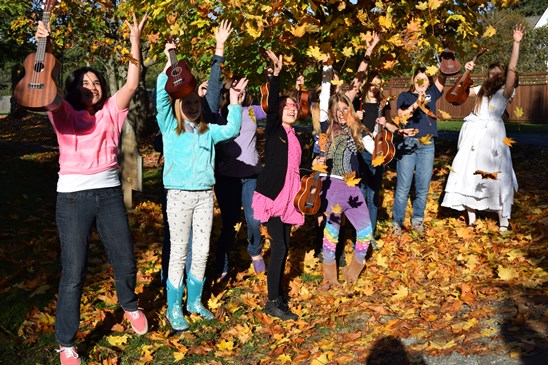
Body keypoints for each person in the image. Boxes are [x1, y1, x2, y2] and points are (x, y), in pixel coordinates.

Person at [35, 14, 149, 365]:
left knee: (126, 259)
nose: (93, 85)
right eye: (85, 81)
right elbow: (46, 81)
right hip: (72, 200)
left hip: (110, 194)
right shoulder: (63, 111)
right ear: (74, 88)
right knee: (74, 272)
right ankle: (66, 343)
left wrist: (134, 42)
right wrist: (46, 43)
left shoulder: (111, 113)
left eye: (97, 81)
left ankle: (129, 304)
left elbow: (131, 82)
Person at [156, 21, 247, 332]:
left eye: (197, 102)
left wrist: (235, 103)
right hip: (179, 196)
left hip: (205, 195)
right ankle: (173, 306)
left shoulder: (208, 131)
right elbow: (162, 97)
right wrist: (171, 61)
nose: (194, 106)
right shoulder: (170, 127)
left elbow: (233, 129)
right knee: (179, 249)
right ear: (180, 105)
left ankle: (195, 301)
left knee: (202, 249)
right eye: (188, 102)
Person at [442, 25, 525, 231]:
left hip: (493, 136)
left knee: (496, 173)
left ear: (503, 75)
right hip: (472, 134)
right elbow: (456, 96)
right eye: (490, 73)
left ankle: (503, 219)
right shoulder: (481, 90)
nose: (492, 76)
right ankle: (471, 217)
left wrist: (516, 43)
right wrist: (466, 72)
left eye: (497, 74)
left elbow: (513, 70)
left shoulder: (507, 91)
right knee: (469, 171)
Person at [251, 50, 304, 320]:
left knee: (285, 246)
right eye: (286, 106)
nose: (291, 109)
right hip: (272, 196)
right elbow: (272, 106)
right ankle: (273, 301)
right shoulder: (274, 130)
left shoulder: (294, 135)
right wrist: (276, 75)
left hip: (289, 198)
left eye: (294, 106)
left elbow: (294, 167)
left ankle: (278, 295)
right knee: (280, 247)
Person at [317, 66, 373, 286]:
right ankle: (329, 277)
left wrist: (383, 145)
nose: (341, 112)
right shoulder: (327, 127)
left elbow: (374, 150)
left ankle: (355, 268)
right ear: (331, 111)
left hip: (352, 188)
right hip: (331, 186)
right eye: (337, 108)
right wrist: (326, 67)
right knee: (331, 235)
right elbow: (324, 96)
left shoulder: (356, 129)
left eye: (345, 108)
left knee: (366, 230)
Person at [213, 78, 266, 279]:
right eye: (235, 89)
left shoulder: (252, 111)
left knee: (254, 219)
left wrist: (272, 79)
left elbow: (272, 106)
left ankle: (255, 251)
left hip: (251, 175)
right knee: (230, 222)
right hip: (227, 178)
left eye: (243, 88)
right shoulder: (219, 115)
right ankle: (223, 261)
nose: (240, 91)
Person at [392, 65, 447, 235]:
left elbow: (443, 77)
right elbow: (401, 116)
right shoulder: (405, 96)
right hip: (408, 144)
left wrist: (447, 59)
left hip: (427, 145)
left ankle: (417, 220)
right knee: (404, 186)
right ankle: (397, 222)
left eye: (425, 79)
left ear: (429, 81)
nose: (422, 82)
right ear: (413, 80)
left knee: (423, 185)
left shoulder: (432, 93)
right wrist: (417, 103)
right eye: (419, 79)